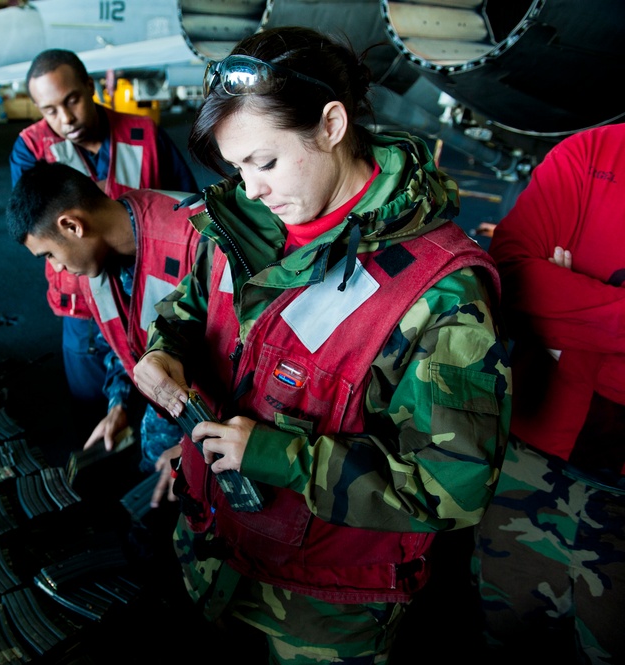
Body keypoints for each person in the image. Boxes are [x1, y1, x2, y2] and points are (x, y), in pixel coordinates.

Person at [131, 26, 512, 662]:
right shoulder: (243, 223)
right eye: (236, 167)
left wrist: (280, 457)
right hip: (210, 548)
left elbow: (451, 488)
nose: (251, 188)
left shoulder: (439, 294)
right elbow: (190, 308)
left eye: (266, 161)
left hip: (322, 613)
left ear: (331, 125)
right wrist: (163, 347)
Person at [471, 123, 625, 664]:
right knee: (507, 640)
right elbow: (510, 275)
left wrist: (569, 329)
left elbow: (543, 300)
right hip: (531, 466)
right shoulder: (592, 153)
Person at [9, 48, 198, 419]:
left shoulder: (144, 134)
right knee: (94, 403)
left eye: (73, 100)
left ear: (90, 87)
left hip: (150, 295)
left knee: (164, 390)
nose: (65, 119)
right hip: (81, 301)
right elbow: (36, 228)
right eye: (49, 111)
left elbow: (186, 208)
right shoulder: (32, 148)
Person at [7, 161, 202, 472]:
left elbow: (246, 366)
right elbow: (118, 340)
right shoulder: (93, 260)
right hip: (168, 420)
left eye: (49, 255)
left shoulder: (198, 236)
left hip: (218, 437)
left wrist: (192, 449)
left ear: (72, 226)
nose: (55, 268)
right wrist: (119, 403)